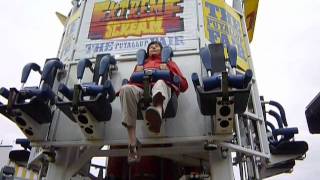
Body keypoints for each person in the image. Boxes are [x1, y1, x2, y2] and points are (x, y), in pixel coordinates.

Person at [119, 41, 188, 163]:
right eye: (150, 47)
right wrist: (137, 72)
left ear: (162, 51)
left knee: (160, 83)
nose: (153, 47)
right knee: (125, 89)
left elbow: (184, 85)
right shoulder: (140, 65)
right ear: (147, 52)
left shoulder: (169, 63)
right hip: (141, 90)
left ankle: (157, 114)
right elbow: (132, 82)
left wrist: (169, 71)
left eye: (156, 46)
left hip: (160, 89)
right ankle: (132, 143)